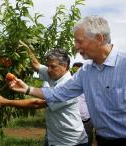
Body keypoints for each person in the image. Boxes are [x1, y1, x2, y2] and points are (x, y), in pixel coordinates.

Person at [8, 15, 126, 146]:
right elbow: (59, 92)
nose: (75, 46)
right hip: (103, 139)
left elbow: (39, 103)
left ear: (99, 38)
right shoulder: (86, 71)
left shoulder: (123, 64)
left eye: (79, 41)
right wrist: (27, 89)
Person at [0, 48, 88, 146]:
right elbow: (36, 65)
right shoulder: (54, 75)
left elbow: (37, 103)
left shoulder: (68, 86)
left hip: (71, 142)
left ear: (64, 66)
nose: (49, 70)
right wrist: (25, 47)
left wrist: (5, 101)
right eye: (48, 66)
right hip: (54, 138)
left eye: (52, 66)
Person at [72, 62, 94, 146]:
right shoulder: (69, 85)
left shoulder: (90, 85)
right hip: (73, 121)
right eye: (74, 71)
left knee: (87, 141)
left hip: (87, 121)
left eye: (78, 71)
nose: (76, 74)